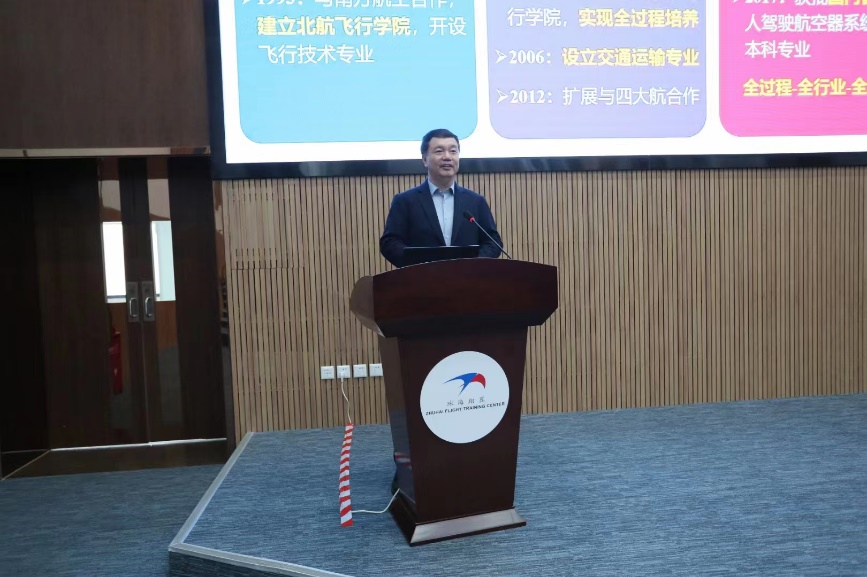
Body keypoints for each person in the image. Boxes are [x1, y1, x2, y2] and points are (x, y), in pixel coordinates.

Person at [379, 128, 503, 268]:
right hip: (421, 279)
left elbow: (493, 242)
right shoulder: (405, 201)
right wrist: (414, 265)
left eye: (453, 151)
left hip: (468, 278)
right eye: (439, 151)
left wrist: (475, 264)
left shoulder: (476, 201)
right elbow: (390, 243)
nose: (447, 157)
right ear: (425, 160)